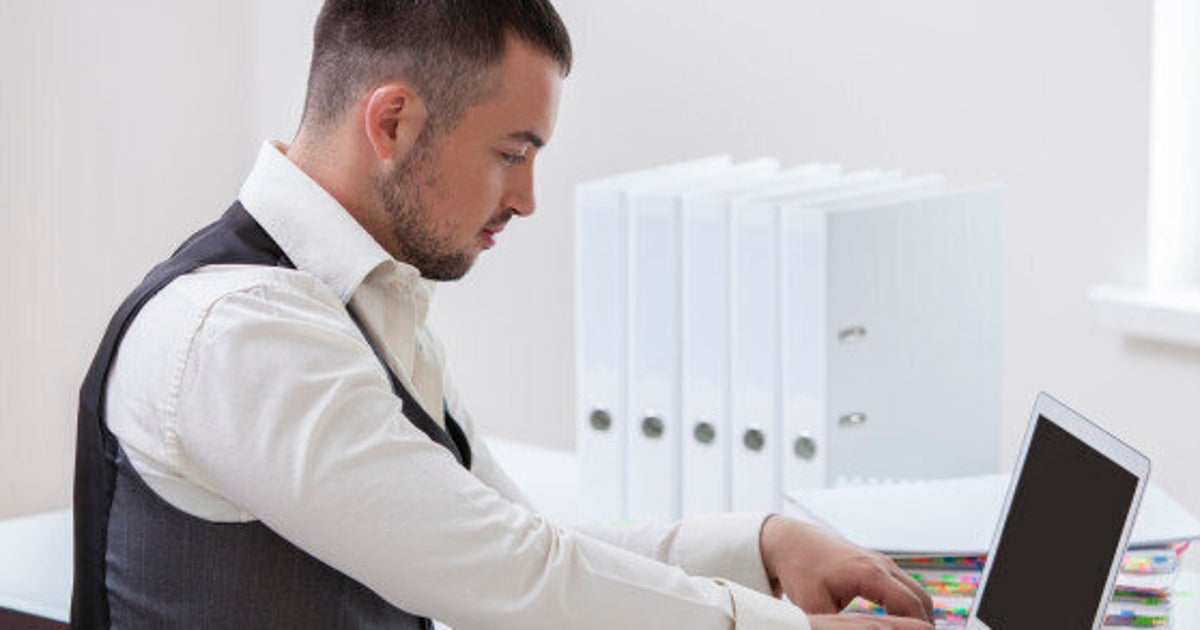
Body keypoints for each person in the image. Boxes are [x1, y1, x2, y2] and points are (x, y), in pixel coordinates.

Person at [73, 1, 936, 628]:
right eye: (511, 153)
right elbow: (509, 578)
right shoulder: (243, 332)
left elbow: (517, 541)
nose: (525, 200)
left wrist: (761, 545)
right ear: (395, 121)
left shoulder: (357, 302)